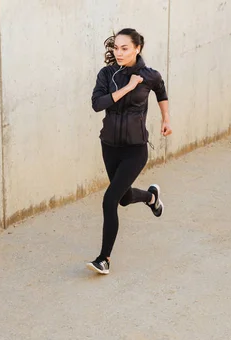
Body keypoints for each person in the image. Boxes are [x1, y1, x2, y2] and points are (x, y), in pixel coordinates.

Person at [86, 28, 172, 275]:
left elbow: (161, 92)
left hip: (135, 149)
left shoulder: (149, 75)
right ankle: (151, 197)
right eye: (116, 47)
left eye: (125, 48)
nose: (119, 52)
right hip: (110, 146)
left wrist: (166, 118)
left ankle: (104, 259)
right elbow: (97, 104)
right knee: (123, 198)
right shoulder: (107, 74)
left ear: (137, 49)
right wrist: (128, 87)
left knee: (109, 200)